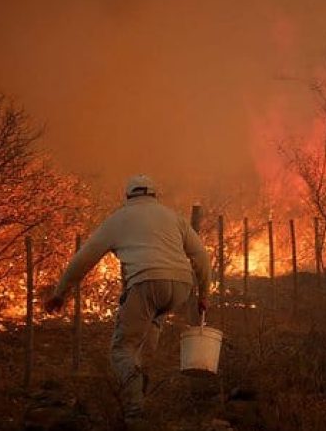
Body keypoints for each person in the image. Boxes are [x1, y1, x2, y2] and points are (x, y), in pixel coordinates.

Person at [44, 174, 211, 429]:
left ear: (128, 196)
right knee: (147, 336)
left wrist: (60, 292)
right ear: (154, 195)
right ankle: (143, 386)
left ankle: (135, 411)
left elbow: (84, 259)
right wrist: (203, 295)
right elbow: (200, 255)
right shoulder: (172, 216)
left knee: (122, 349)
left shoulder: (118, 219)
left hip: (146, 283)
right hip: (180, 287)